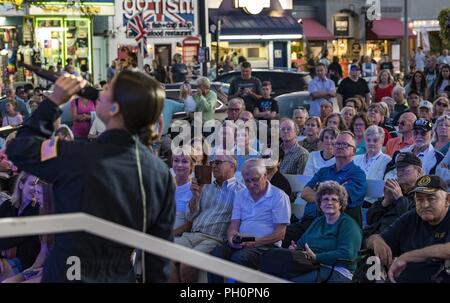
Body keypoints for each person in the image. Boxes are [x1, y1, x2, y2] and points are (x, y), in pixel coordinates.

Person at [6, 70, 175, 282]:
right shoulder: (160, 174)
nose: (99, 93)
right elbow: (158, 261)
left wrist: (54, 101)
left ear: (115, 108)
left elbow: (19, 148)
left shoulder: (74, 156)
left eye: (107, 89)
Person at [207, 159, 291, 283]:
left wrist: (255, 242)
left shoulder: (278, 196)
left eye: (255, 179)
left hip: (266, 245)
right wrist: (232, 238)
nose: (251, 184)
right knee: (215, 254)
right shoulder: (241, 194)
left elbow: (280, 234)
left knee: (239, 258)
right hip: (243, 241)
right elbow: (234, 226)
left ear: (265, 176)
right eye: (247, 181)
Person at [263, 181, 362, 283]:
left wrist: (317, 257)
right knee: (275, 274)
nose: (329, 202)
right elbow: (302, 242)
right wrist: (296, 248)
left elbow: (347, 253)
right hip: (312, 265)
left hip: (338, 270)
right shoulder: (318, 221)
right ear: (320, 204)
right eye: (325, 199)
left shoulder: (348, 225)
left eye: (334, 200)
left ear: (341, 204)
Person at [171, 153, 245, 283]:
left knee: (187, 265)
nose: (213, 166)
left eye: (218, 163)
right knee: (162, 254)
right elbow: (190, 215)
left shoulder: (241, 192)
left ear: (232, 166)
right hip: (192, 235)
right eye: (211, 163)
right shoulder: (205, 186)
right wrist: (196, 196)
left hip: (214, 239)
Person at [367, 175, 449, 283]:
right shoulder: (412, 217)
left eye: (431, 199)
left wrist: (408, 256)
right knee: (372, 258)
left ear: (447, 200)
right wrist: (377, 241)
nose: (424, 205)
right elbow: (372, 239)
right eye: (419, 199)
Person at [301, 132, 368, 226]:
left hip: (335, 226)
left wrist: (319, 191)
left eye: (345, 144)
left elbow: (340, 200)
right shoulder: (323, 171)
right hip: (309, 221)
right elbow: (305, 193)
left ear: (354, 151)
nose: (340, 146)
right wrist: (326, 200)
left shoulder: (357, 175)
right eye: (337, 144)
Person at [363, 152, 422, 240]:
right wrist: (385, 202)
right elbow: (370, 219)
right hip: (376, 237)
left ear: (418, 172)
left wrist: (400, 198)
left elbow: (411, 221)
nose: (400, 173)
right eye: (398, 170)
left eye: (405, 170)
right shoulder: (394, 189)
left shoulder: (423, 194)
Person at [172, 148, 195, 237]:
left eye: (185, 161)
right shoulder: (164, 182)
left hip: (178, 237)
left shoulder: (195, 188)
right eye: (176, 160)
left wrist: (169, 235)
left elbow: (191, 224)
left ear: (192, 165)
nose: (179, 164)